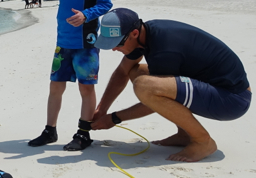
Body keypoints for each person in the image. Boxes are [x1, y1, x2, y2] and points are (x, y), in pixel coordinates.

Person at [90, 8, 251, 162]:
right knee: (136, 72)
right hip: (210, 86)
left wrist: (114, 119)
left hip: (231, 99)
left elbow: (152, 102)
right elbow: (122, 72)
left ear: (134, 33)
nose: (114, 48)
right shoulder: (145, 35)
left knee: (144, 86)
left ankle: (203, 141)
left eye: (117, 43)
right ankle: (184, 134)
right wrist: (102, 109)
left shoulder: (165, 49)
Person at [28, 0, 112, 151]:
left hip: (86, 41)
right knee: (55, 86)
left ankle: (83, 133)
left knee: (86, 87)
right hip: (63, 42)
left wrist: (86, 15)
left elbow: (105, 3)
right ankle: (50, 130)